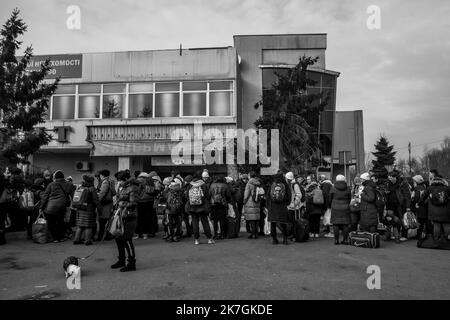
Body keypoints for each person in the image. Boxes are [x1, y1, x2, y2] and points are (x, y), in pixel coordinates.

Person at [111, 170, 139, 272]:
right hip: (121, 215)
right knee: (118, 238)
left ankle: (131, 263)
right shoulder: (123, 187)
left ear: (126, 179)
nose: (119, 182)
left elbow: (133, 203)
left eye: (120, 180)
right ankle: (121, 260)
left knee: (127, 239)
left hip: (129, 216)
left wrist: (121, 204)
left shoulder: (133, 188)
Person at [39, 170, 72, 242]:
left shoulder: (51, 184)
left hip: (51, 207)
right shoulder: (69, 184)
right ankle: (61, 237)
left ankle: (55, 238)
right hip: (62, 207)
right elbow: (72, 195)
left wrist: (41, 207)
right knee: (61, 222)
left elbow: (45, 196)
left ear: (55, 177)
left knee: (51, 223)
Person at [419, 169, 450, 241]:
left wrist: (420, 203)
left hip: (434, 211)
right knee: (446, 225)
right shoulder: (447, 188)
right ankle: (448, 241)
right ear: (442, 180)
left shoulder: (430, 188)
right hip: (446, 211)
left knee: (436, 225)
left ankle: (436, 241)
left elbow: (422, 198)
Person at [185, 171, 214, 245]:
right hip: (202, 207)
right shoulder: (203, 184)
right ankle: (209, 239)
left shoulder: (190, 185)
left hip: (192, 207)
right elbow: (207, 195)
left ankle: (196, 239)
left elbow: (187, 196)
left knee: (195, 223)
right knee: (205, 223)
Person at [386, 170, 412, 241]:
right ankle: (397, 234)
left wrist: (408, 206)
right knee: (395, 220)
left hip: (401, 205)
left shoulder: (402, 184)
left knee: (403, 219)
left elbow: (407, 196)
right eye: (389, 178)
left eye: (391, 178)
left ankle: (404, 235)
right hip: (392, 205)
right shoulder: (389, 184)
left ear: (395, 177)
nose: (389, 179)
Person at [73, 175, 99, 246]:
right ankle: (88, 241)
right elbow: (95, 200)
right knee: (88, 226)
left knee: (80, 225)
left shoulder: (80, 187)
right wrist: (99, 207)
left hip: (80, 209)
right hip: (88, 209)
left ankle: (76, 239)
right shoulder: (91, 188)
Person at [267, 172, 291, 245]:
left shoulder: (272, 184)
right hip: (282, 206)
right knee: (283, 223)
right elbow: (289, 195)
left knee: (273, 223)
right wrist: (286, 203)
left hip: (273, 206)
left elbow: (268, 195)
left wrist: (268, 206)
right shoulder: (285, 185)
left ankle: (274, 239)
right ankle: (285, 239)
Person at [329, 175, 351, 245]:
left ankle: (336, 240)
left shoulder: (333, 188)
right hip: (345, 207)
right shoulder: (348, 188)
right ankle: (345, 240)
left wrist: (331, 205)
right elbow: (349, 198)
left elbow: (330, 198)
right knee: (345, 224)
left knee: (335, 224)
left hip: (335, 207)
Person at [135, 172, 157, 240]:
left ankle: (139, 234)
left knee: (140, 218)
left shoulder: (140, 180)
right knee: (147, 218)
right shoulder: (151, 181)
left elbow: (137, 190)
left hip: (141, 201)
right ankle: (146, 234)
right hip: (150, 201)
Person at [209, 175, 232, 240]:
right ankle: (222, 234)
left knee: (215, 221)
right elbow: (228, 195)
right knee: (222, 220)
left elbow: (209, 194)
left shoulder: (212, 185)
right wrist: (228, 202)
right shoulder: (225, 185)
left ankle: (215, 234)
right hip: (222, 204)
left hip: (213, 205)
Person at [96, 170, 115, 241]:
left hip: (104, 204)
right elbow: (114, 192)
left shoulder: (105, 182)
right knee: (108, 221)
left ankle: (100, 237)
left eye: (100, 175)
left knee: (101, 221)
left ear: (102, 175)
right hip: (109, 203)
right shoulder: (111, 181)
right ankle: (108, 235)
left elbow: (102, 193)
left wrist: (97, 201)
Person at [243, 171, 262, 239]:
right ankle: (256, 234)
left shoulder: (249, 183)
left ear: (250, 176)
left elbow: (246, 194)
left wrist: (244, 201)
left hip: (250, 202)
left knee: (251, 220)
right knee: (256, 219)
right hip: (257, 201)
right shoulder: (258, 183)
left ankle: (252, 234)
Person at [165, 177, 184, 242]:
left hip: (170, 210)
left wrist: (167, 188)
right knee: (177, 222)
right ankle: (176, 236)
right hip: (178, 209)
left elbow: (165, 196)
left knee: (170, 223)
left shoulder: (169, 192)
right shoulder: (180, 191)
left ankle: (171, 236)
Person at [286, 172, 302, 239]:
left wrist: (294, 204)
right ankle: (292, 234)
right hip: (290, 206)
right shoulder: (290, 184)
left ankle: (295, 234)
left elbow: (299, 195)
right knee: (291, 221)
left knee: (294, 221)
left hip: (294, 207)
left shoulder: (294, 184)